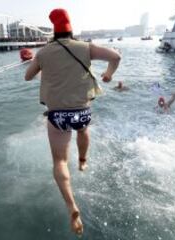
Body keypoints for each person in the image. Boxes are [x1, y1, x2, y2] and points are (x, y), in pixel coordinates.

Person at [24, 8, 121, 235]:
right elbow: (116, 56)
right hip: (82, 112)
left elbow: (27, 76)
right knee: (82, 130)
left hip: (58, 116)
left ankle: (71, 207)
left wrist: (42, 66)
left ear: (54, 32)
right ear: (71, 29)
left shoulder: (44, 52)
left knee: (59, 161)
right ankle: (83, 161)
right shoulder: (85, 48)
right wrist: (109, 74)